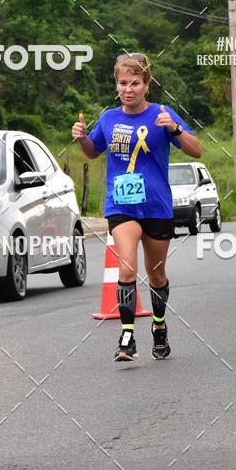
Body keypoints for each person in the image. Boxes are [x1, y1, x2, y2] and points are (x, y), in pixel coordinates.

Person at [72, 52, 201, 362]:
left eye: (134, 83)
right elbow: (92, 151)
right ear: (116, 85)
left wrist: (174, 128)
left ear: (146, 85)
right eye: (122, 83)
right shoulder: (108, 118)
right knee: (127, 267)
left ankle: (159, 326)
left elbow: (196, 150)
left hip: (156, 206)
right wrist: (82, 138)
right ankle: (127, 336)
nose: (127, 89)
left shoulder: (162, 113)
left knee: (156, 275)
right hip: (121, 206)